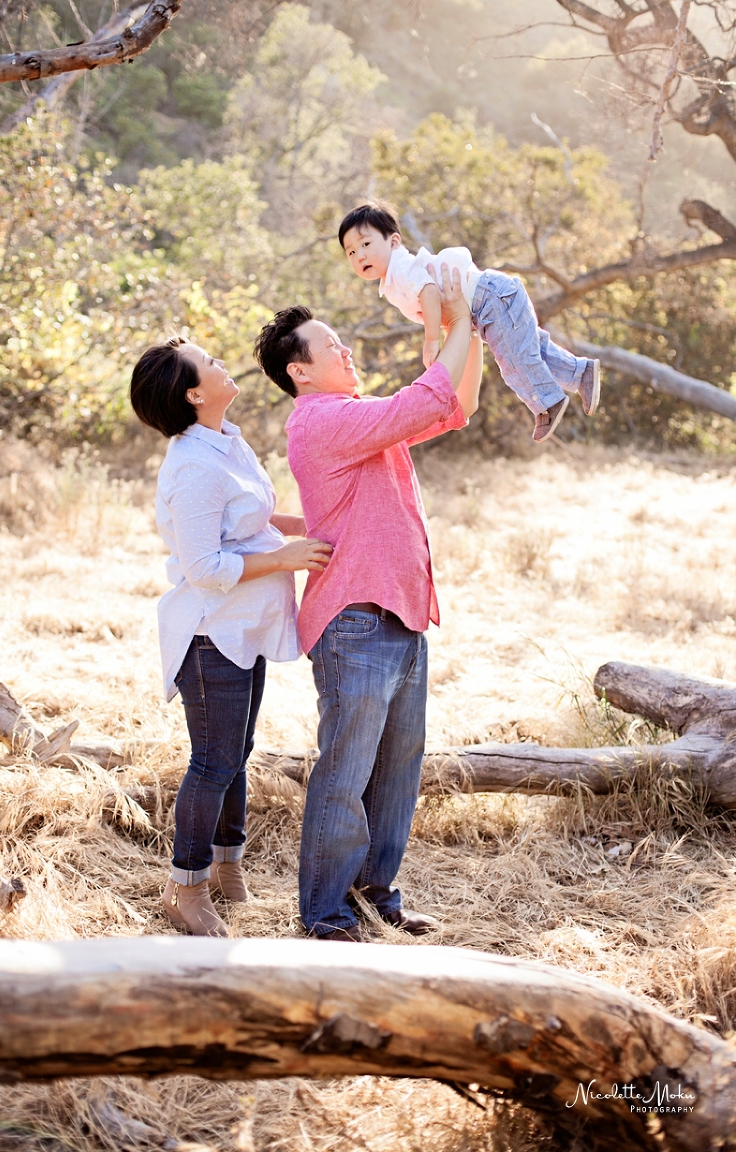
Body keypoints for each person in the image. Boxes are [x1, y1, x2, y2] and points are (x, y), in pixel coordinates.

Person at [253, 266, 481, 941]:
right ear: (300, 372)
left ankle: (376, 894)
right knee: (345, 771)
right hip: (354, 619)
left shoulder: (355, 419)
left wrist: (468, 335)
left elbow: (452, 405)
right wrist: (459, 317)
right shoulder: (323, 422)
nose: (347, 351)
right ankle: (324, 914)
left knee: (396, 769)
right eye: (332, 347)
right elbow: (424, 397)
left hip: (400, 612)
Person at [130, 337, 332, 937]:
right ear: (195, 394)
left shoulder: (225, 442)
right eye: (210, 363)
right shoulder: (192, 466)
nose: (222, 365)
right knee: (213, 761)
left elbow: (254, 518)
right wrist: (287, 559)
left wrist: (322, 527)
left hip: (244, 627)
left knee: (236, 755)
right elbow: (204, 567)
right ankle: (184, 887)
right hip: (209, 633)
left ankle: (226, 867)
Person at [339, 199, 600, 445]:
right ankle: (581, 373)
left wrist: (431, 341)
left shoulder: (401, 268)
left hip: (489, 298)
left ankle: (547, 401)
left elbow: (428, 291)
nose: (359, 256)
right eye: (351, 251)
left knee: (513, 360)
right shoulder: (393, 278)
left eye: (365, 244)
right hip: (491, 299)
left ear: (393, 241)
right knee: (532, 350)